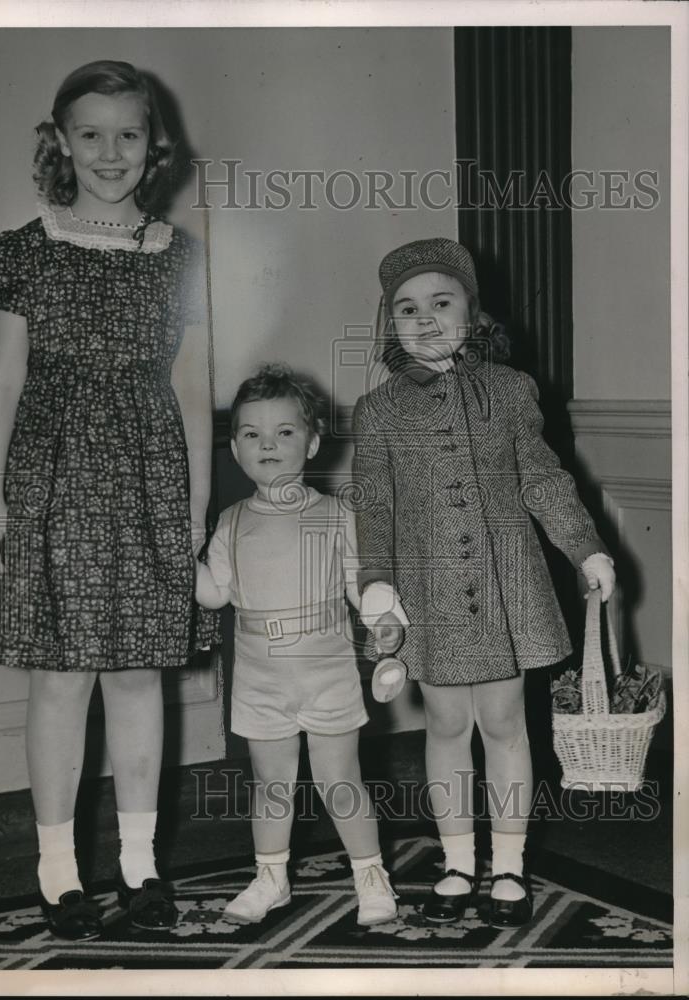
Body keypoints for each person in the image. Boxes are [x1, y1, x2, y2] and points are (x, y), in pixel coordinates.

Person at [0, 60, 217, 940]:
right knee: (61, 678)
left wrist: (194, 512)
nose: (109, 151)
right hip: (51, 478)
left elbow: (193, 391)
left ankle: (142, 864)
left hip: (150, 476)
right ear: (60, 142)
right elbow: (0, 386)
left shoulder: (180, 258)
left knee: (139, 674)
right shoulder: (24, 252)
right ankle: (57, 869)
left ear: (154, 147)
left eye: (128, 133)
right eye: (90, 133)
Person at [352, 238, 615, 929]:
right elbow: (373, 507)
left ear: (474, 311)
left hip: (506, 584)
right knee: (443, 723)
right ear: (391, 323)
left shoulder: (511, 390)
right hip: (430, 591)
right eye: (408, 308)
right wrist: (376, 583)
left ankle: (509, 864)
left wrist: (585, 547)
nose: (426, 318)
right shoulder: (377, 412)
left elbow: (544, 478)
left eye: (442, 302)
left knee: (503, 722)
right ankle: (458, 860)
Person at [195, 364, 398, 927]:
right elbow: (214, 594)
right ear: (235, 448)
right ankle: (271, 876)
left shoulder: (335, 515)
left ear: (311, 442)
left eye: (285, 432)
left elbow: (364, 589)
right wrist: (172, 555)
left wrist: (384, 622)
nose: (268, 444)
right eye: (253, 434)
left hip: (324, 666)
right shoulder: (232, 522)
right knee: (271, 783)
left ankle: (370, 874)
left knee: (341, 779)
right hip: (259, 674)